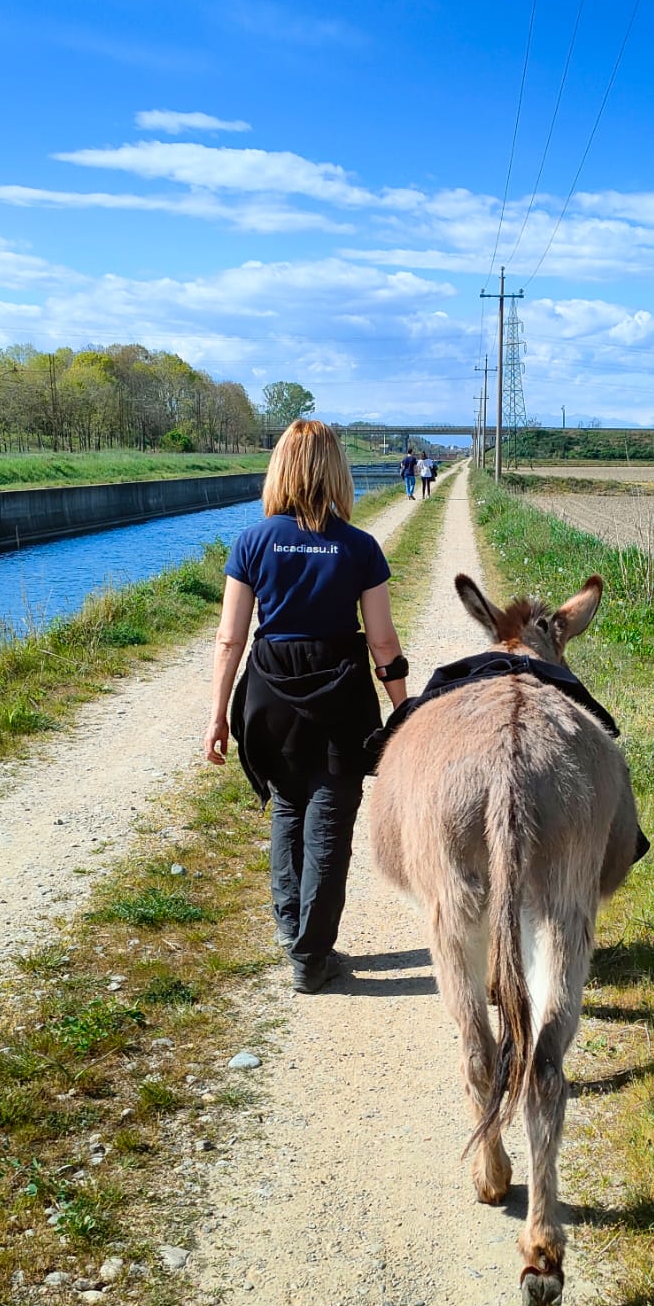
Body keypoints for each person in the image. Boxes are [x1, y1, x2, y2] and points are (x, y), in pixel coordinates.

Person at [204, 421, 408, 994]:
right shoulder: (361, 547)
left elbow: (230, 639)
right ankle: (311, 956)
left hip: (271, 690)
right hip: (341, 689)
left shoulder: (252, 542)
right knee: (331, 823)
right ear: (336, 471)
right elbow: (383, 643)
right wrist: (403, 709)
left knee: (287, 807)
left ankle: (294, 935)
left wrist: (219, 713)